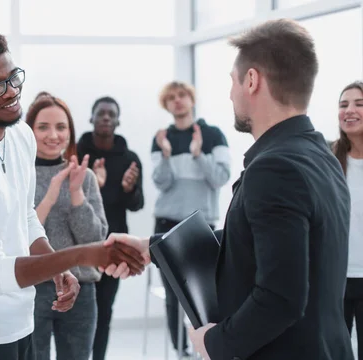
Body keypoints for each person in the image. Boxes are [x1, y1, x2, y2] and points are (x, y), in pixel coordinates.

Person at [104, 18, 355, 360]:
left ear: (251, 80)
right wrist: (153, 248)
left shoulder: (275, 167)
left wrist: (215, 343)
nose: (230, 93)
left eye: (232, 81)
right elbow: (256, 241)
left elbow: (281, 298)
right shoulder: (318, 153)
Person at [0, 33, 145, 360]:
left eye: (13, 78)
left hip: (23, 320)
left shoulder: (20, 135)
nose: (12, 92)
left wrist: (57, 270)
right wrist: (77, 256)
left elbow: (24, 216)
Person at [26, 93, 108, 360]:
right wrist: (50, 196)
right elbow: (20, 236)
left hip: (80, 289)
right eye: (43, 127)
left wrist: (76, 194)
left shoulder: (84, 178)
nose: (53, 135)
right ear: (29, 130)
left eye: (61, 127)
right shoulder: (18, 176)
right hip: (31, 288)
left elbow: (94, 240)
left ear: (70, 132)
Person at [153, 81, 230, 355]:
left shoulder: (213, 135)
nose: (177, 101)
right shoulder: (161, 137)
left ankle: (209, 349)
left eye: (182, 95)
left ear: (191, 99)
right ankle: (180, 351)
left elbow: (220, 178)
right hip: (166, 223)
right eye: (171, 97)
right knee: (173, 297)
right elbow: (161, 183)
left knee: (209, 295)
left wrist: (198, 154)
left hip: (200, 227)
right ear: (166, 104)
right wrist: (164, 155)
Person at [76, 96, 144, 360]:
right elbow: (69, 204)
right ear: (91, 118)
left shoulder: (130, 158)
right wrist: (95, 186)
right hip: (78, 245)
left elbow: (138, 204)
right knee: (77, 313)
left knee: (103, 311)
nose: (106, 117)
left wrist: (129, 189)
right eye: (100, 113)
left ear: (117, 121)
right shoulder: (77, 154)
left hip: (113, 248)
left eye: (111, 114)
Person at [332, 80, 363, 360]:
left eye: (359, 103)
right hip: (334, 279)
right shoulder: (328, 158)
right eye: (343, 105)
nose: (349, 110)